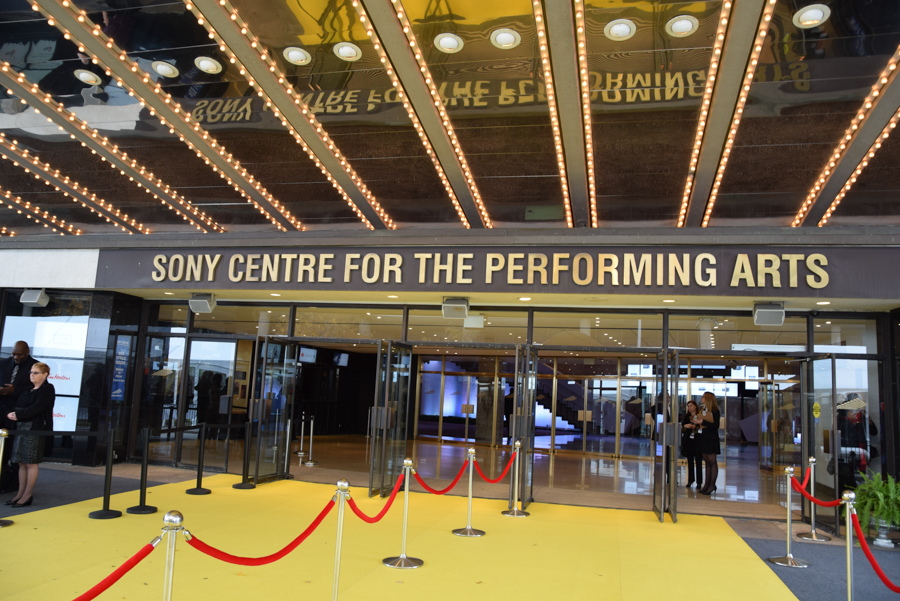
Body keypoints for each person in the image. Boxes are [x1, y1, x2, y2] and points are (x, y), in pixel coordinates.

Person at [5, 362, 55, 507]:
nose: (31, 375)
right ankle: (20, 494)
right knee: (21, 462)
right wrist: (13, 414)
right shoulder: (28, 389)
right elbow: (20, 404)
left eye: (35, 373)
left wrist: (18, 414)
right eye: (31, 372)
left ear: (45, 375)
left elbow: (36, 408)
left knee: (30, 462)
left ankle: (27, 495)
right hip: (21, 427)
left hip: (35, 428)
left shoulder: (48, 389)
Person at [0, 341, 38, 492]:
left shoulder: (36, 367)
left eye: (19, 354)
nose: (15, 357)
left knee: (16, 452)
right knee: (2, 451)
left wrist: (14, 390)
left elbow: (36, 390)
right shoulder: (4, 363)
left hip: (20, 416)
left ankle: (15, 485)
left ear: (27, 352)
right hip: (2, 412)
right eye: (14, 354)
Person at [698, 391, 721, 496]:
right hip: (704, 437)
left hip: (711, 438)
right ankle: (706, 484)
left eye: (703, 397)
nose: (701, 398)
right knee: (707, 462)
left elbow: (715, 425)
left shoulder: (715, 411)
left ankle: (712, 485)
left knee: (712, 461)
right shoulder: (703, 410)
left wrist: (702, 422)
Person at [681, 400, 703, 490]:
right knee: (690, 461)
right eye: (688, 406)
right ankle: (690, 480)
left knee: (698, 461)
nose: (690, 408)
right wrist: (686, 426)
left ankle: (699, 482)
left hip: (698, 441)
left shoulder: (700, 416)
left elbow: (702, 428)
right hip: (689, 440)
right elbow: (682, 428)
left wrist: (695, 427)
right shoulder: (686, 417)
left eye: (691, 406)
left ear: (695, 406)